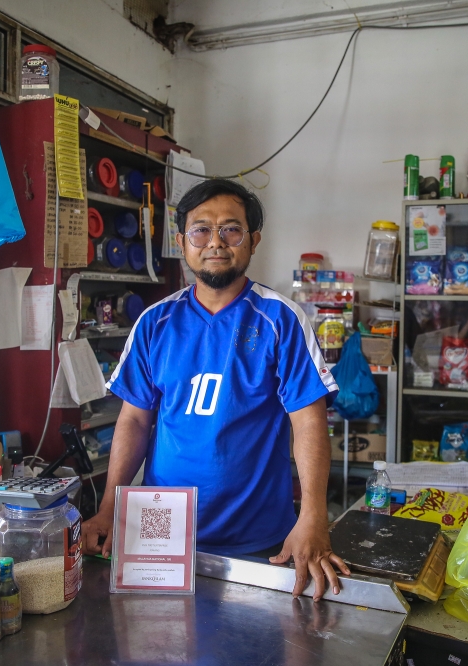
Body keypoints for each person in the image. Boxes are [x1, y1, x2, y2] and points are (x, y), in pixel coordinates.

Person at [80, 178, 350, 600]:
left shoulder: (281, 319)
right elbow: (134, 419)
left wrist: (313, 516)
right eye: (201, 230)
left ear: (253, 240)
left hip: (259, 538)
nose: (215, 242)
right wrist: (110, 507)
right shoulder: (155, 323)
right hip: (161, 535)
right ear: (183, 241)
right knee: (160, 644)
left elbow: (309, 422)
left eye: (231, 229)